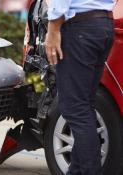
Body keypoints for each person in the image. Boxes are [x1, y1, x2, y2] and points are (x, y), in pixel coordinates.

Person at [45, 0, 115, 175]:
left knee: (75, 108)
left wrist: (53, 29)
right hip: (103, 25)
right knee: (84, 106)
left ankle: (87, 171)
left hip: (81, 28)